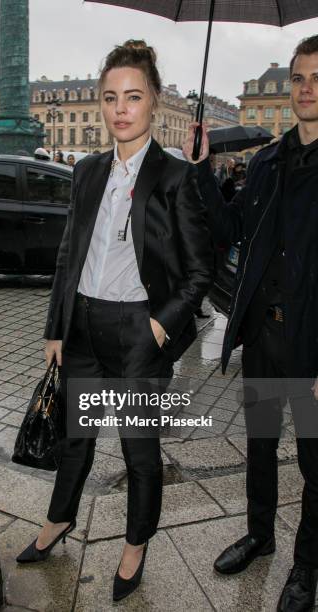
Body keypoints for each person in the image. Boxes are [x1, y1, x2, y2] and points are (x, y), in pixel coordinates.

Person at [16, 39, 213, 601]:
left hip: (137, 332)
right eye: (109, 97)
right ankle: (59, 520)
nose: (120, 108)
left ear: (153, 101)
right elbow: (67, 255)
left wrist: (158, 326)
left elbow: (199, 273)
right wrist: (56, 326)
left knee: (137, 448)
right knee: (74, 437)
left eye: (132, 96)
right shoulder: (86, 171)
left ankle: (135, 543)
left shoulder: (175, 177)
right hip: (82, 325)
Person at [183, 34, 318, 612]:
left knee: (314, 461)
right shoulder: (266, 161)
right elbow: (228, 229)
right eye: (299, 78)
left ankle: (306, 568)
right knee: (260, 445)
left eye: (317, 79)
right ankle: (260, 536)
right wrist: (202, 170)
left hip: (314, 344)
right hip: (263, 334)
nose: (306, 89)